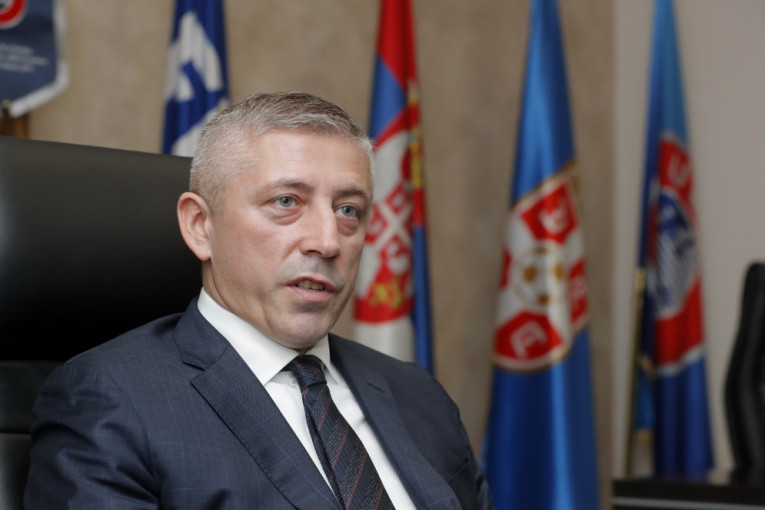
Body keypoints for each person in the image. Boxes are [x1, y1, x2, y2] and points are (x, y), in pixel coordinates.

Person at [24, 92, 492, 509]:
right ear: (200, 226)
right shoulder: (111, 399)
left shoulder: (419, 396)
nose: (328, 241)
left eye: (348, 210)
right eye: (286, 202)